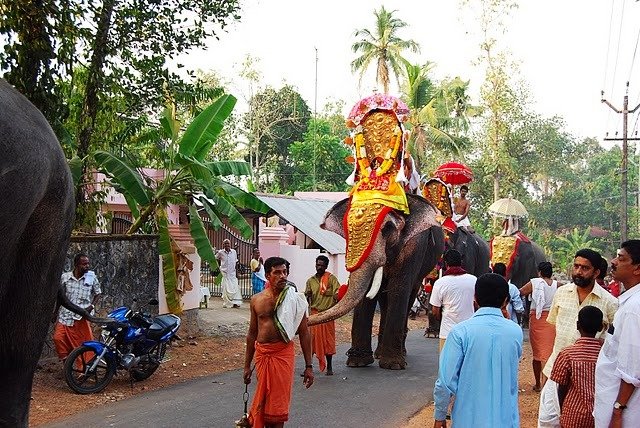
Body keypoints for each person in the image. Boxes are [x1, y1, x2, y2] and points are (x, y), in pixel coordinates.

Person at [538, 249, 618, 428]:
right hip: (555, 371)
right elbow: (553, 330)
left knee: (583, 421)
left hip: (590, 378)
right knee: (548, 421)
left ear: (596, 272)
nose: (578, 272)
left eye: (585, 268)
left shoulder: (610, 302)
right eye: (576, 266)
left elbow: (614, 342)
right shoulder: (561, 293)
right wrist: (548, 368)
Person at [433, 273, 523, 428]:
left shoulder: (460, 332)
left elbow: (445, 381)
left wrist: (440, 415)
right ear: (505, 301)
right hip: (506, 420)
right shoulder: (515, 332)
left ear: (475, 297)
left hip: (467, 420)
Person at [243, 257, 314, 428]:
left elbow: (304, 333)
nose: (282, 276)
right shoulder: (256, 300)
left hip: (283, 355)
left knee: (278, 405)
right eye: (277, 272)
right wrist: (246, 366)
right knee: (265, 398)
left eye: (285, 272)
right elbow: (252, 333)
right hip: (262, 355)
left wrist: (309, 366)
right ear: (268, 275)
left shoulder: (295, 299)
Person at [594, 239, 640, 427]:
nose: (613, 261)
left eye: (621, 258)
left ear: (637, 268)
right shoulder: (630, 302)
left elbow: (632, 367)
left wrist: (618, 410)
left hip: (625, 409)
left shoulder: (634, 308)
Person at [550, 305, 604, 428]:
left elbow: (561, 387)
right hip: (600, 414)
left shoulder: (567, 354)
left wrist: (563, 410)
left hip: (573, 414)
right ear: (601, 327)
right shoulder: (606, 355)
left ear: (577, 325)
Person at [53, 253, 102, 360]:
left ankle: (82, 370)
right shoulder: (65, 278)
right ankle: (67, 362)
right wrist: (55, 312)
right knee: (58, 338)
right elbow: (60, 297)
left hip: (81, 316)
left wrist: (91, 306)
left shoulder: (91, 277)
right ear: (76, 264)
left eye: (88, 264)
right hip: (65, 315)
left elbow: (98, 293)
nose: (87, 266)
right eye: (84, 264)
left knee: (82, 344)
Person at [519, 261, 558, 392]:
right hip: (552, 320)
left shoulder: (535, 283)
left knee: (537, 353)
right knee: (549, 352)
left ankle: (539, 384)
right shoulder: (558, 285)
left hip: (537, 318)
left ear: (539, 272)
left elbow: (520, 293)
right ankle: (546, 383)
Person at [429, 249, 477, 351]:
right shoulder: (473, 280)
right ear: (461, 262)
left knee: (446, 365)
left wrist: (442, 319)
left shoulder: (440, 283)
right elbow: (477, 304)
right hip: (469, 331)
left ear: (446, 264)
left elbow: (435, 310)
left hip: (447, 332)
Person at [304, 255, 340, 375]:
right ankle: (308, 367)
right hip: (315, 315)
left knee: (328, 341)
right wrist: (307, 295)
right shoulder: (310, 281)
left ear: (326, 266)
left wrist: (335, 295)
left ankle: (329, 367)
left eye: (322, 265)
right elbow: (306, 297)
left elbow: (338, 292)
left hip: (327, 315)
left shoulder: (331, 279)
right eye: (317, 264)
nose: (319, 267)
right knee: (311, 342)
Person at [216, 239, 242, 308]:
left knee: (235, 288)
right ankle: (228, 303)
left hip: (232, 274)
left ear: (230, 244)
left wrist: (237, 273)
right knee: (226, 289)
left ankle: (235, 303)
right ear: (223, 245)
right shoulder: (220, 252)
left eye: (228, 243)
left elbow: (236, 262)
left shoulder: (234, 252)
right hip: (225, 274)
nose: (227, 245)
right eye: (225, 244)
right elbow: (215, 259)